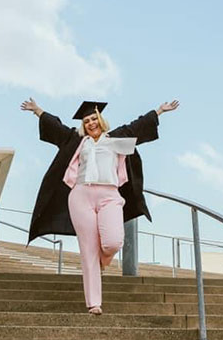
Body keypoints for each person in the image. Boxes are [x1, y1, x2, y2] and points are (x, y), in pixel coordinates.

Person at [21, 98, 180, 315]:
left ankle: (103, 262)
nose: (91, 123)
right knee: (88, 251)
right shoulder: (77, 141)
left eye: (94, 118)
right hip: (80, 195)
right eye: (87, 121)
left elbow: (138, 125)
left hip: (109, 195)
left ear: (100, 119)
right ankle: (94, 303)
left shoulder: (116, 139)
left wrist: (160, 111)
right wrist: (37, 111)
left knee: (113, 242)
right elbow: (56, 128)